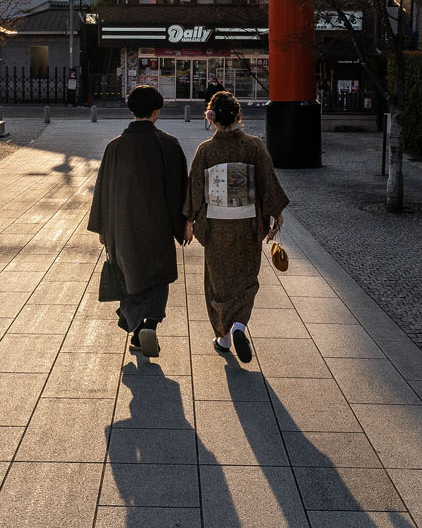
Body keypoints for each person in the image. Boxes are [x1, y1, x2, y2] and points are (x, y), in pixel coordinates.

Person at [184, 90, 288, 364]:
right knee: (245, 278)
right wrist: (276, 213)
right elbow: (267, 180)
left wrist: (188, 221)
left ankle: (224, 337)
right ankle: (240, 324)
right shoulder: (254, 146)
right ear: (238, 116)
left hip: (217, 226)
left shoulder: (206, 150)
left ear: (212, 119)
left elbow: (195, 187)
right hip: (247, 223)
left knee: (217, 282)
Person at [88, 85, 188, 357]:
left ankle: (136, 327)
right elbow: (180, 189)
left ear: (131, 110)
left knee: (128, 274)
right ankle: (150, 325)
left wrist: (102, 226)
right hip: (158, 225)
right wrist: (185, 223)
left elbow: (103, 190)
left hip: (122, 225)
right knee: (159, 275)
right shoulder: (169, 144)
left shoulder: (115, 147)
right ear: (157, 112)